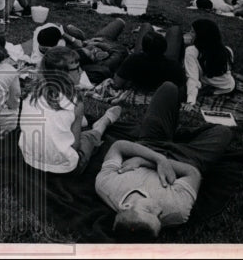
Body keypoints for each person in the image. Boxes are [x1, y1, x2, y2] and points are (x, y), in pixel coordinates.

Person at [94, 82, 233, 239]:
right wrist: (154, 162)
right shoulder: (177, 211)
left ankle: (174, 135)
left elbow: (118, 146)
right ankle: (182, 137)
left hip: (149, 145)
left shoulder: (106, 186)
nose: (158, 210)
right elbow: (192, 173)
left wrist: (153, 159)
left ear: (126, 206)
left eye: (148, 211)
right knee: (223, 132)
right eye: (159, 218)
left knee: (169, 88)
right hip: (186, 158)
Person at [18, 46, 122, 174]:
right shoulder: (75, 102)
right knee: (87, 138)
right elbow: (75, 145)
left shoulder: (30, 92)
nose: (81, 71)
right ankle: (102, 124)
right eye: (76, 68)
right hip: (65, 168)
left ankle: (78, 123)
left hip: (29, 159)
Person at [112, 24, 186, 92]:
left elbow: (117, 83)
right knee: (175, 30)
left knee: (146, 26)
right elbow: (181, 89)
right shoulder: (173, 66)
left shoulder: (133, 60)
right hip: (165, 66)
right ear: (165, 47)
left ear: (143, 48)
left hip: (144, 64)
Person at [182, 19, 235, 109]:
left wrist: (190, 101)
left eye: (192, 32)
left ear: (201, 36)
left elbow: (192, 78)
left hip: (209, 84)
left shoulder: (191, 51)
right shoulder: (227, 50)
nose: (189, 34)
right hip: (228, 86)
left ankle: (205, 89)